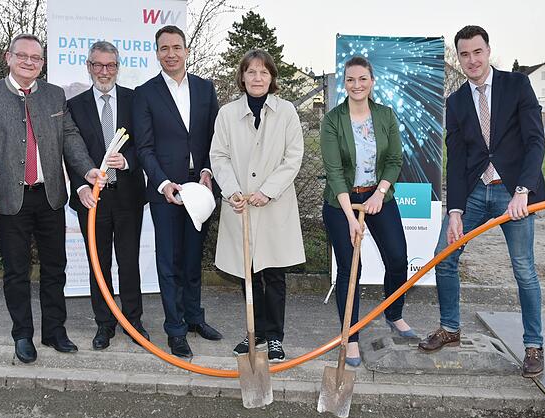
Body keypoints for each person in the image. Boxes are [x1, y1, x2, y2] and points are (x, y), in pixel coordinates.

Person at [0, 34, 106, 364]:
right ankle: (22, 335)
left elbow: (70, 138)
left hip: (50, 197)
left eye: (37, 58)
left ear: (43, 63)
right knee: (16, 271)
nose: (30, 62)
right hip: (7, 201)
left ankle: (54, 331)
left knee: (56, 268)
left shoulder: (55, 96)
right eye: (23, 56)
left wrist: (87, 171)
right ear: (8, 57)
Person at [418, 25, 545, 378]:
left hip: (513, 191)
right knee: (443, 257)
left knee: (523, 268)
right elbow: (456, 160)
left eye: (477, 52)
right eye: (464, 54)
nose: (472, 60)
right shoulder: (456, 101)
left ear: (488, 51)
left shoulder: (517, 85)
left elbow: (536, 141)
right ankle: (450, 328)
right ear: (458, 58)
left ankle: (533, 346)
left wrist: (524, 189)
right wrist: (455, 210)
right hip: (474, 191)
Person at [210, 49, 305, 363]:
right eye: (251, 72)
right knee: (247, 273)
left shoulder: (287, 111)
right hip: (241, 206)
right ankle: (256, 332)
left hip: (273, 206)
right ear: (242, 77)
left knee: (274, 275)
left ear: (272, 77)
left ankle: (275, 336)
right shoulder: (227, 114)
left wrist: (268, 191)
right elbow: (219, 156)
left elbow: (293, 158)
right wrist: (233, 190)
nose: (257, 77)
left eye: (263, 72)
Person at [320, 55, 415, 367]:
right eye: (350, 80)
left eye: (362, 79)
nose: (356, 85)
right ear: (344, 83)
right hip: (341, 204)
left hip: (379, 198)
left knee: (398, 259)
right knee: (350, 271)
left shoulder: (385, 115)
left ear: (372, 82)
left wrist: (380, 193)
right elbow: (334, 173)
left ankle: (395, 315)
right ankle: (351, 337)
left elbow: (394, 160)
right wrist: (350, 217)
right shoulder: (333, 120)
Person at [133, 25, 222, 358]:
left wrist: (208, 171)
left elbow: (215, 138)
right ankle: (175, 329)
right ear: (156, 53)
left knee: (192, 259)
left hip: (200, 187)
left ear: (186, 50)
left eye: (176, 47)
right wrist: (162, 183)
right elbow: (144, 147)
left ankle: (195, 317)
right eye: (164, 48)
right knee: (169, 261)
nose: (170, 53)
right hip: (166, 191)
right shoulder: (146, 92)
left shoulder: (205, 88)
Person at [67, 41, 149, 350]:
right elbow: (69, 151)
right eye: (98, 65)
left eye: (110, 65)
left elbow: (146, 145)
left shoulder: (134, 100)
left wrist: (128, 162)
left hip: (128, 195)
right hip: (93, 199)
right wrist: (80, 185)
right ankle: (105, 323)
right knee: (98, 264)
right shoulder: (73, 106)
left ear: (117, 67)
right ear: (89, 67)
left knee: (129, 262)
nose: (105, 71)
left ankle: (133, 321)